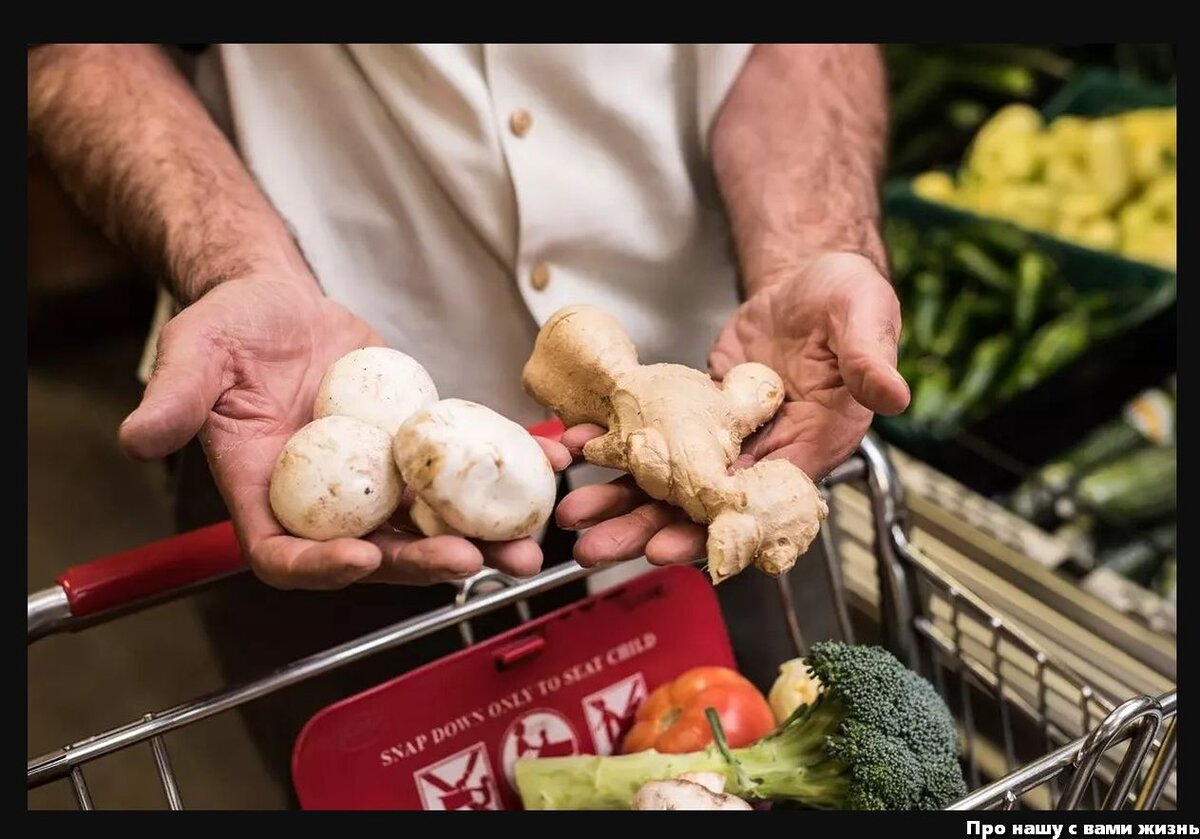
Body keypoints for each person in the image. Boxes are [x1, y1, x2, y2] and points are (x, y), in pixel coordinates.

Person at [28, 43, 910, 803]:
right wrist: (233, 269)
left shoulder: (717, 449)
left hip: (723, 436)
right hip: (316, 424)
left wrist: (808, 248)